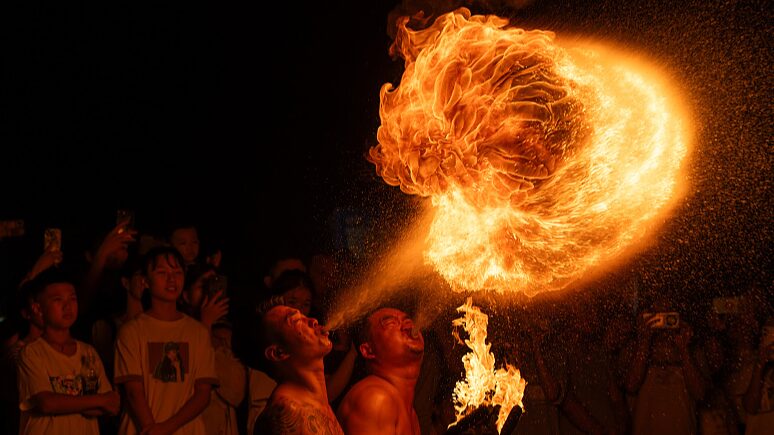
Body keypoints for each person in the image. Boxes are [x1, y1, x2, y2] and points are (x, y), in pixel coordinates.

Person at [113, 247, 218, 435]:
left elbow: (203, 394)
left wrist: (165, 428)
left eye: (177, 273)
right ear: (145, 281)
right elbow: (133, 391)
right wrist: (151, 428)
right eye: (162, 273)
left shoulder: (198, 332)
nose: (171, 279)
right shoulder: (131, 331)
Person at [16, 269, 119, 434]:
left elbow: (111, 405)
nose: (68, 306)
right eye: (58, 300)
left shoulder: (89, 352)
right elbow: (47, 403)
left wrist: (67, 403)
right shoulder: (31, 353)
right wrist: (97, 400)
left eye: (72, 298)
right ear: (38, 309)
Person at [237, 296, 343, 435]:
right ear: (279, 352)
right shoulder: (286, 412)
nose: (313, 321)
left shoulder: (318, 403)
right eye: (297, 321)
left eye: (304, 316)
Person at [337, 307, 424, 435]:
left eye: (408, 321)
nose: (408, 327)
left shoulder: (410, 412)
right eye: (391, 323)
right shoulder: (375, 399)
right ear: (368, 350)